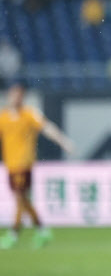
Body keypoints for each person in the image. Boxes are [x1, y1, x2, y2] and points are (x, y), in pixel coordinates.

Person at [0, 82, 74, 249]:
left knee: (20, 197)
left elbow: (47, 128)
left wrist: (63, 141)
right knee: (22, 199)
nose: (15, 98)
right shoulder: (3, 117)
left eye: (19, 94)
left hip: (24, 163)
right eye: (13, 94)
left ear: (23, 97)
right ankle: (42, 230)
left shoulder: (29, 114)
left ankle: (14, 234)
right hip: (10, 165)